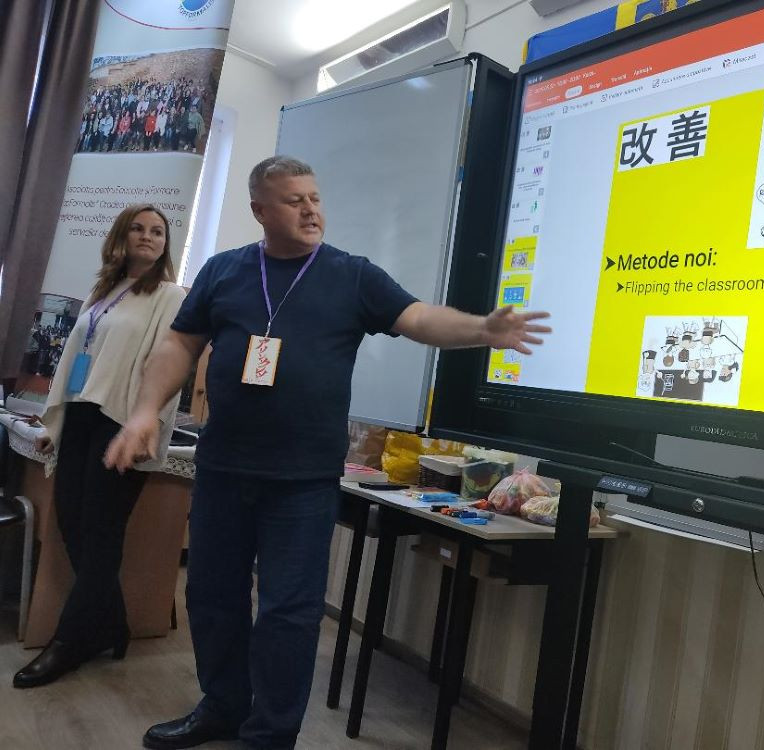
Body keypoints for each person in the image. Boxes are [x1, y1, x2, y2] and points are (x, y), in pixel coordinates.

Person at [104, 156, 551, 750]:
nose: (311, 209)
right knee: (212, 598)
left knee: (288, 612)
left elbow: (419, 318)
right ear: (260, 211)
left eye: (314, 197)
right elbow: (179, 345)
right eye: (294, 200)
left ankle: (270, 736)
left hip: (303, 482)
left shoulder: (351, 275)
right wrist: (143, 411)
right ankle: (222, 707)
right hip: (224, 469)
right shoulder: (223, 271)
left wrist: (482, 330)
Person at [13, 205, 186, 689]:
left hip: (122, 421)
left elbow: (166, 365)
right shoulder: (104, 292)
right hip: (82, 416)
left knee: (101, 533)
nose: (148, 237)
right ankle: (112, 622)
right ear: (121, 237)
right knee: (72, 524)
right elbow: (78, 359)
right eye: (138, 229)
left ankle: (71, 641)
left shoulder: (170, 296)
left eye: (157, 231)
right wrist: (58, 423)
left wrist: (146, 425)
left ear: (165, 244)